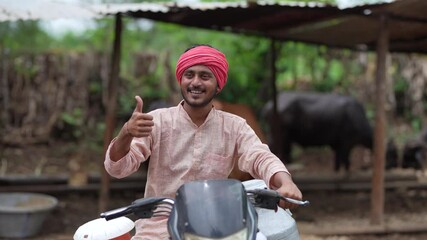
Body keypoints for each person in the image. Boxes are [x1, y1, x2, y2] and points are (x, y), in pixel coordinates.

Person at [104, 44, 302, 239]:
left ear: (218, 85)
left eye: (205, 76)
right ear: (181, 80)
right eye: (189, 75)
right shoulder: (156, 121)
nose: (195, 82)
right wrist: (126, 133)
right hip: (158, 227)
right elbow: (118, 169)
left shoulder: (235, 126)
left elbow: (260, 157)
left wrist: (286, 182)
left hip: (216, 226)